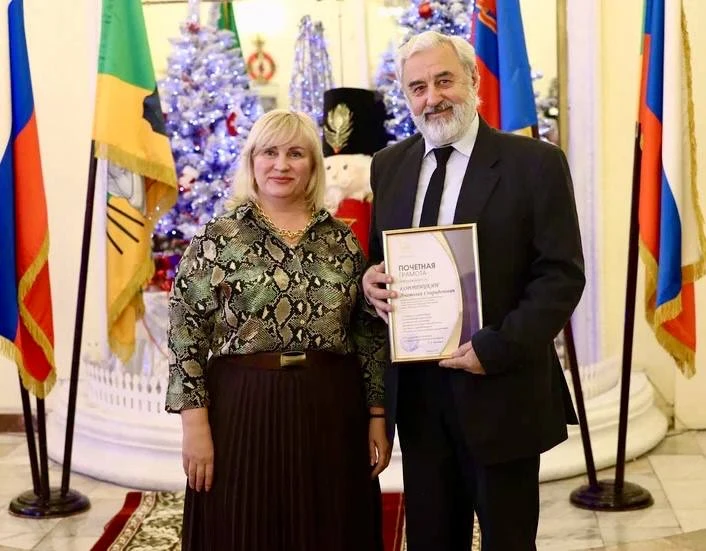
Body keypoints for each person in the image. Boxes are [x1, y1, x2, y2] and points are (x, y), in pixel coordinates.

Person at [363, 31, 585, 551]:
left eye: (444, 81)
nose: (432, 98)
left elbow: (561, 275)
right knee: (432, 539)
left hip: (500, 388)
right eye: (418, 87)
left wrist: (496, 348)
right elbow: (379, 257)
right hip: (419, 397)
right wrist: (370, 281)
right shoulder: (388, 165)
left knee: (509, 541)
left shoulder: (535, 163)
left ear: (472, 80)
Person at [167, 109, 391, 551]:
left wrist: (378, 417)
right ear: (252, 161)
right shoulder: (218, 237)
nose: (281, 165)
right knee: (243, 528)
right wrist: (195, 425)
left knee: (329, 530)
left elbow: (367, 335)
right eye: (269, 152)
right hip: (242, 408)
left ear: (313, 166)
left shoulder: (341, 240)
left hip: (331, 409)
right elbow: (185, 332)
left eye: (296, 154)